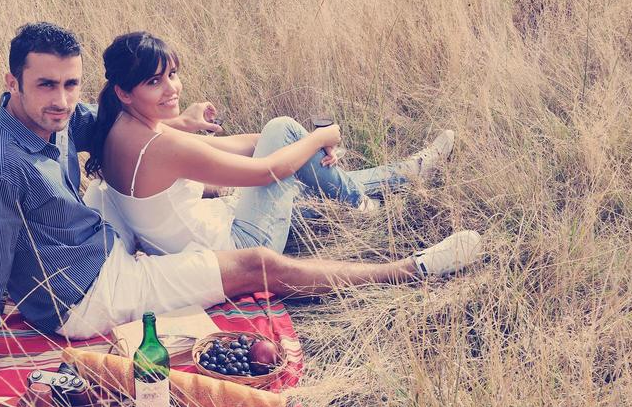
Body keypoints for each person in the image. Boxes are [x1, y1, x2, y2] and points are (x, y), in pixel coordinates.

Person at [0, 22, 482, 379]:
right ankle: (413, 269)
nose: (63, 100)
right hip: (88, 293)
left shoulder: (61, 118)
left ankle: (394, 179)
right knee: (256, 264)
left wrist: (176, 123)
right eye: (47, 85)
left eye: (71, 84)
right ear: (11, 82)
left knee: (272, 191)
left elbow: (107, 122)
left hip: (101, 234)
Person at [82, 31, 455, 257]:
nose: (172, 88)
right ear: (124, 92)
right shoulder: (162, 147)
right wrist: (319, 138)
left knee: (304, 182)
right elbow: (267, 172)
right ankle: (364, 204)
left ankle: (402, 175)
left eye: (173, 74)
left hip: (207, 235)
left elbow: (238, 147)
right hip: (240, 245)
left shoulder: (119, 127)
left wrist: (297, 144)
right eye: (154, 82)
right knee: (283, 129)